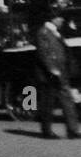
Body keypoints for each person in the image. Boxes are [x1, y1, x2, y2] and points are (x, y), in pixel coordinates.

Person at [35, 11, 81, 139]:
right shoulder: (43, 32)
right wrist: (52, 69)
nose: (62, 21)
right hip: (49, 74)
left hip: (62, 73)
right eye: (60, 18)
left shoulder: (56, 32)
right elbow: (43, 53)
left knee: (68, 101)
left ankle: (72, 130)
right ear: (53, 19)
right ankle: (47, 131)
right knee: (48, 103)